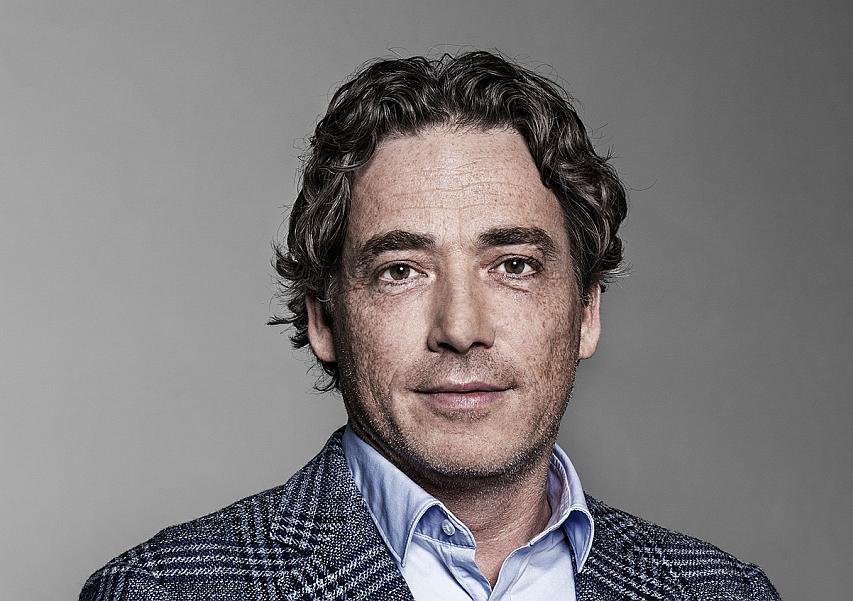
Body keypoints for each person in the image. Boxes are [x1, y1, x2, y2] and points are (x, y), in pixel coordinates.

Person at [81, 51, 780, 601]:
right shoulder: (160, 592)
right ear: (324, 318)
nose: (460, 328)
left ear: (586, 312)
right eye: (401, 270)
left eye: (513, 265)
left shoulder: (724, 592)